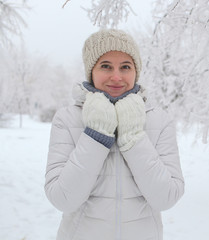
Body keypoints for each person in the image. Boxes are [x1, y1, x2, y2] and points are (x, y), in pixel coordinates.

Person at [44, 29, 185, 240]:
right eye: (106, 66)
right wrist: (95, 134)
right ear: (91, 71)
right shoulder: (68, 119)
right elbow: (62, 199)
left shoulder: (159, 121)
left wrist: (134, 137)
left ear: (136, 71)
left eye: (125, 67)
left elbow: (166, 198)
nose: (116, 76)